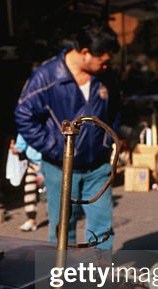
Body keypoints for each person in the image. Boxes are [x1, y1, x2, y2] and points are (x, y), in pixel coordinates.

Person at [15, 26, 120, 248]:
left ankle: (98, 279)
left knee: (102, 228)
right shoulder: (46, 76)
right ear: (84, 52)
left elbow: (116, 110)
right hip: (60, 168)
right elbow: (24, 115)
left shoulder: (105, 77)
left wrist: (108, 141)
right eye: (102, 60)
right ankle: (65, 280)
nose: (106, 65)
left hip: (98, 167)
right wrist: (55, 149)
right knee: (63, 229)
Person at [12, 133, 43, 231]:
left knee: (54, 195)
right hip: (33, 164)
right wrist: (14, 148)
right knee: (29, 192)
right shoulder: (26, 127)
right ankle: (31, 220)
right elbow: (19, 147)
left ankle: (59, 222)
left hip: (50, 165)